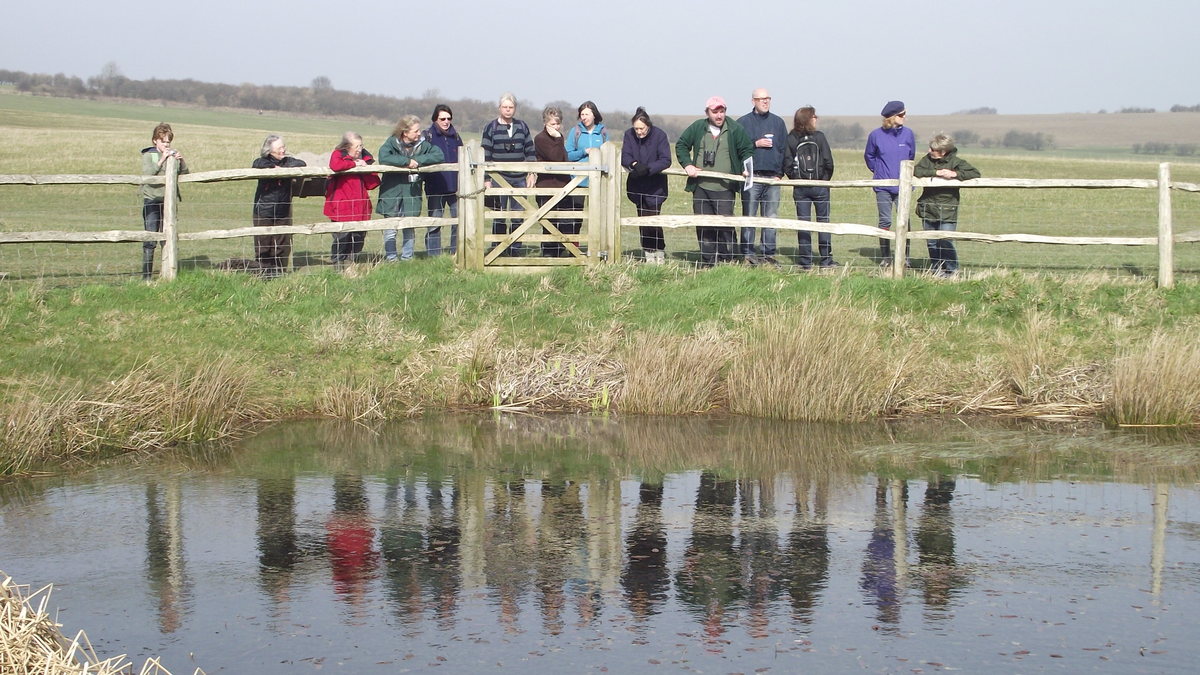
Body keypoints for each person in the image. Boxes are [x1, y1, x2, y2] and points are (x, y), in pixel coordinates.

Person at [675, 96, 754, 267]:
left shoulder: (734, 129)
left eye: (722, 111)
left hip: (725, 187)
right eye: (715, 111)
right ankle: (708, 262)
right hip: (701, 187)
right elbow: (681, 145)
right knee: (704, 225)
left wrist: (744, 167)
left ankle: (730, 261)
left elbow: (747, 149)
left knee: (726, 226)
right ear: (707, 113)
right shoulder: (698, 127)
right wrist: (687, 165)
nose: (719, 115)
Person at [377, 115, 445, 261]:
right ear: (405, 132)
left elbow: (438, 155)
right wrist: (406, 162)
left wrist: (418, 161)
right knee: (391, 227)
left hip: (411, 192)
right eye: (416, 131)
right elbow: (384, 157)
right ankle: (391, 259)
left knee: (409, 226)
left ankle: (407, 258)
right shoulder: (391, 143)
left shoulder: (423, 144)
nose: (419, 133)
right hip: (392, 191)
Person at [913, 133, 980, 277]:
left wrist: (954, 174)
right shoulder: (927, 160)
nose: (929, 151)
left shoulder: (956, 162)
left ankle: (952, 270)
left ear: (943, 152)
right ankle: (936, 268)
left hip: (948, 208)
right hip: (928, 207)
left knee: (946, 241)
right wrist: (936, 172)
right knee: (931, 242)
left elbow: (975, 173)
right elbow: (916, 170)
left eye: (933, 149)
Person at [481, 93, 536, 256]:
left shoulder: (522, 126)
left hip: (519, 178)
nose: (508, 110)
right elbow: (486, 154)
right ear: (499, 108)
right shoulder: (491, 127)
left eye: (511, 107)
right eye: (505, 107)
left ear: (515, 109)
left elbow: (530, 151)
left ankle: (515, 248)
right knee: (499, 214)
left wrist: (532, 172)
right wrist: (487, 178)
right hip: (499, 177)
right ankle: (497, 248)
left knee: (518, 215)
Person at [737, 89, 788, 265]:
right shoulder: (743, 123)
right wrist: (755, 144)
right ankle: (747, 254)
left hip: (772, 178)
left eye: (767, 99)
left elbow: (784, 150)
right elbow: (737, 149)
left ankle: (768, 254)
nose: (765, 102)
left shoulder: (778, 123)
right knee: (749, 216)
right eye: (761, 99)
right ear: (753, 101)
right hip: (752, 177)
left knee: (771, 217)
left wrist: (780, 174)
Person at [783, 106, 837, 269]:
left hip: (801, 188)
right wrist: (824, 180)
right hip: (820, 186)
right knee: (823, 222)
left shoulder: (791, 138)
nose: (816, 119)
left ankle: (806, 261)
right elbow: (829, 162)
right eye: (814, 116)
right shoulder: (819, 137)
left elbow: (786, 164)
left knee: (803, 223)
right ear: (808, 119)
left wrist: (796, 179)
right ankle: (826, 260)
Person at [864, 100, 916, 266]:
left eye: (904, 114)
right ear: (892, 117)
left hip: (903, 187)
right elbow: (869, 156)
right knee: (885, 221)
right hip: (883, 187)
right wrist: (879, 172)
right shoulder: (875, 135)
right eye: (901, 115)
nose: (904, 117)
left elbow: (911, 156)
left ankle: (904, 257)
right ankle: (885, 257)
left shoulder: (908, 134)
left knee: (904, 221)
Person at [621, 107, 672, 264]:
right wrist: (635, 164)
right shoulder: (629, 135)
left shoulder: (660, 135)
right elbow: (625, 156)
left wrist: (649, 169)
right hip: (637, 185)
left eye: (641, 128)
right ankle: (648, 253)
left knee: (654, 219)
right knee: (642, 219)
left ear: (648, 125)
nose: (639, 132)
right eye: (636, 128)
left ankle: (659, 250)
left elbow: (666, 159)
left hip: (655, 185)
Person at [251, 134, 306, 277]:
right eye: (279, 148)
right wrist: (273, 168)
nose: (283, 150)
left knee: (282, 244)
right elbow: (257, 164)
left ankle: (279, 273)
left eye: (283, 147)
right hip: (264, 209)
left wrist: (283, 168)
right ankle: (263, 273)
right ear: (270, 151)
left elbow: (301, 163)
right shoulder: (263, 161)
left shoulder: (288, 161)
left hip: (283, 209)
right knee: (264, 243)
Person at [139, 122, 189, 280]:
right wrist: (162, 159)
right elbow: (148, 174)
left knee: (168, 237)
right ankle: (146, 277)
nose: (166, 144)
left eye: (168, 141)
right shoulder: (150, 155)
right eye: (163, 141)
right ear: (155, 141)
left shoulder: (171, 155)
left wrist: (180, 160)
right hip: (152, 200)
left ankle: (166, 273)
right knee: (151, 239)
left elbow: (185, 172)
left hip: (168, 202)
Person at [324, 131, 380, 266]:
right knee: (342, 238)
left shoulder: (364, 158)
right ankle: (338, 265)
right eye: (357, 147)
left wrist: (366, 168)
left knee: (359, 238)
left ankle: (351, 264)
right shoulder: (338, 154)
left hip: (360, 207)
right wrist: (354, 164)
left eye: (361, 146)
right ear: (347, 146)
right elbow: (336, 165)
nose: (360, 149)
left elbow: (373, 183)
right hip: (341, 206)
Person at [534, 106, 583, 257]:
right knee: (549, 222)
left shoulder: (559, 137)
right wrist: (557, 138)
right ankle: (549, 252)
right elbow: (555, 157)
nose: (555, 127)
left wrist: (558, 138)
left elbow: (564, 158)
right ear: (545, 123)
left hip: (563, 185)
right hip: (547, 186)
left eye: (557, 124)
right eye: (552, 124)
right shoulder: (540, 139)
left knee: (566, 220)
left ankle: (565, 250)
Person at [424, 104, 462, 255]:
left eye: (449, 118)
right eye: (442, 119)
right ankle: (434, 255)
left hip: (455, 187)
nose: (446, 121)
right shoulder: (428, 136)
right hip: (435, 186)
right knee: (435, 222)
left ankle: (455, 252)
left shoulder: (456, 136)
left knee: (458, 221)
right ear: (435, 119)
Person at [565, 100, 608, 187]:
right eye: (582, 115)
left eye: (587, 114)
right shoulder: (575, 131)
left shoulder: (603, 132)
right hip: (577, 182)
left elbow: (608, 156)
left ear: (594, 115)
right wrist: (584, 152)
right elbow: (568, 155)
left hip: (598, 181)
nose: (584, 117)